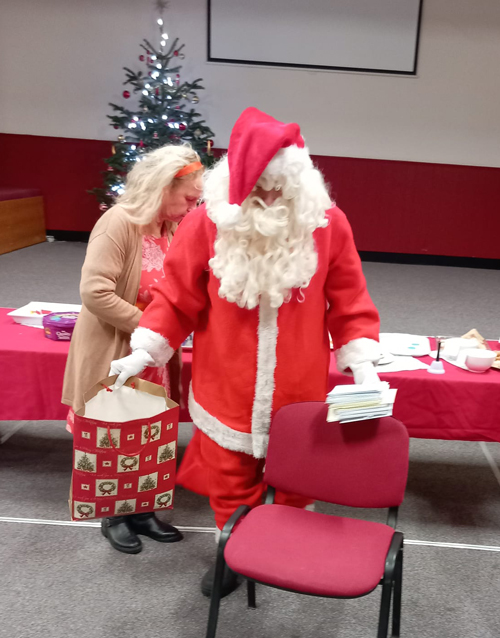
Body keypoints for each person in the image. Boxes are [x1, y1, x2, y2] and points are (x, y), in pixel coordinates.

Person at [110, 108, 382, 591]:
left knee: (297, 478)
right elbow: (175, 299)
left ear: (299, 182)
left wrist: (362, 363)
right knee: (230, 480)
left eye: (279, 189)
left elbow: (350, 301)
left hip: (299, 387)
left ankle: (284, 546)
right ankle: (232, 552)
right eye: (259, 189)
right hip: (225, 386)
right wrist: (144, 350)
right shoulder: (207, 223)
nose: (269, 198)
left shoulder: (327, 224)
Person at [62, 144, 204, 554]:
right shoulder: (119, 223)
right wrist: (154, 330)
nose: (193, 207)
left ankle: (141, 511)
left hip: (153, 354)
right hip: (116, 348)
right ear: (162, 188)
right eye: (188, 199)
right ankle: (113, 514)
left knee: (149, 433)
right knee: (113, 433)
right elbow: (95, 292)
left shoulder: (172, 228)